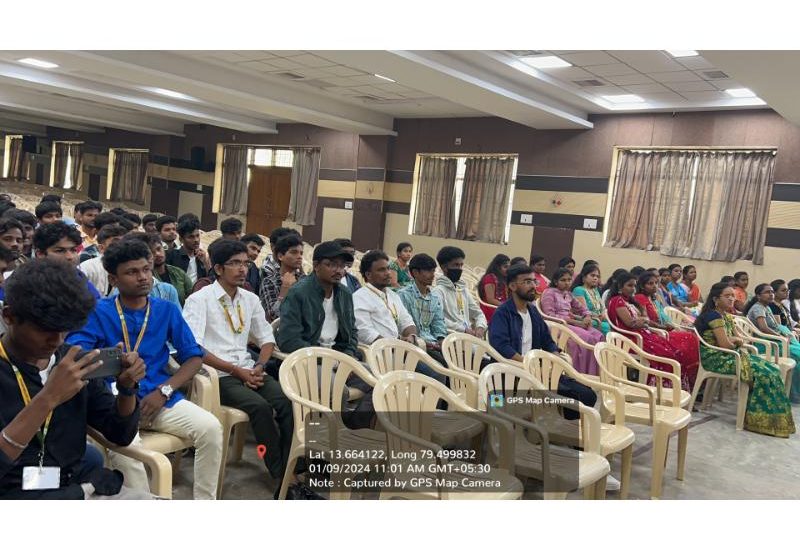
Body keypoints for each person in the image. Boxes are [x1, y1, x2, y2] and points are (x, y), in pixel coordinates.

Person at [67, 239, 223, 499]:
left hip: (158, 398)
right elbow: (77, 355)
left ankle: (205, 502)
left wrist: (165, 391)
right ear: (113, 279)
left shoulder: (166, 310)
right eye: (132, 272)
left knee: (211, 428)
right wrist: (115, 363)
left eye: (146, 269)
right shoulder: (97, 312)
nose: (143, 277)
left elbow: (194, 358)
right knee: (127, 451)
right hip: (116, 405)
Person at [0, 259, 148, 499]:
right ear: (9, 316)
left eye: (65, 329)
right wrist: (48, 398)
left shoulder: (74, 361)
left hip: (75, 486)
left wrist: (127, 389)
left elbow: (120, 435)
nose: (57, 340)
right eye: (45, 329)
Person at [183, 239, 293, 494]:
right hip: (218, 375)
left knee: (287, 401)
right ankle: (280, 473)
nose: (243, 269)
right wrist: (237, 371)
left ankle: (292, 467)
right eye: (235, 263)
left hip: (249, 369)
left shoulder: (250, 299)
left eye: (245, 263)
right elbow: (195, 348)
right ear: (218, 268)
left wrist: (260, 365)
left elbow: (266, 339)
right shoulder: (200, 300)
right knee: (260, 407)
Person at [276, 241, 373, 429]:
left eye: (342, 266)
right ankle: (331, 437)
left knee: (379, 382)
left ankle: (351, 427)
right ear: (316, 265)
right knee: (338, 390)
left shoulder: (344, 294)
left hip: (338, 358)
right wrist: (329, 360)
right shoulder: (299, 293)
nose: (338, 270)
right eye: (331, 265)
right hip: (308, 361)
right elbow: (289, 340)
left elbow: (352, 333)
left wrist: (348, 359)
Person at [488, 264, 600, 423]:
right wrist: (529, 364)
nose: (533, 286)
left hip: (535, 370)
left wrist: (555, 355)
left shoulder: (532, 311)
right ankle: (543, 420)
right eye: (527, 282)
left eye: (534, 281)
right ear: (512, 286)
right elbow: (501, 347)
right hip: (510, 373)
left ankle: (552, 422)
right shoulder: (502, 313)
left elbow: (547, 340)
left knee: (587, 395)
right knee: (576, 398)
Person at [694, 283, 795, 437]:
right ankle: (759, 420)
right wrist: (734, 340)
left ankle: (772, 420)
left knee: (772, 369)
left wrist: (735, 340)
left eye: (732, 296)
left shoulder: (726, 316)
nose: (731, 299)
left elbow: (738, 339)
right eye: (727, 296)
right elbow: (725, 345)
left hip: (731, 354)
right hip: (717, 358)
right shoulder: (713, 316)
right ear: (715, 299)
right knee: (763, 374)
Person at [607, 270, 695, 391]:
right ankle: (657, 389)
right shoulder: (617, 300)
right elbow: (631, 323)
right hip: (630, 339)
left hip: (641, 334)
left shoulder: (628, 300)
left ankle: (670, 388)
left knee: (674, 351)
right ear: (620, 286)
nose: (633, 289)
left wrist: (643, 319)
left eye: (634, 285)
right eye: (629, 285)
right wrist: (644, 321)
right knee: (667, 355)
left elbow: (642, 318)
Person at [634, 272, 700, 390]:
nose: (654, 286)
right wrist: (663, 327)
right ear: (642, 286)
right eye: (650, 283)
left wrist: (670, 325)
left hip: (661, 329)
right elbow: (646, 320)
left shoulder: (653, 298)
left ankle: (689, 381)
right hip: (653, 332)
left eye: (656, 283)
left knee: (690, 338)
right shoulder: (640, 298)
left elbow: (662, 316)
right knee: (685, 341)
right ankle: (671, 384)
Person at [540, 268, 604, 375]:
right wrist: (576, 322)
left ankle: (592, 372)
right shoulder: (549, 293)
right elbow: (549, 315)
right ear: (555, 281)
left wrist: (587, 316)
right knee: (586, 337)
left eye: (569, 280)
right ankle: (579, 372)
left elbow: (582, 308)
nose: (567, 283)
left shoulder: (568, 294)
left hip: (570, 323)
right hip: (557, 324)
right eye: (563, 280)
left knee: (598, 335)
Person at [745, 283, 800, 403]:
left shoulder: (767, 307)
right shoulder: (758, 308)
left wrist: (785, 334)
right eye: (767, 292)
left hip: (774, 340)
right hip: (766, 344)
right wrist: (781, 336)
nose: (771, 294)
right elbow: (763, 328)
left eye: (772, 292)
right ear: (758, 296)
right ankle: (793, 394)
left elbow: (776, 325)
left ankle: (793, 390)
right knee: (797, 355)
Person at [33, 222, 102, 301]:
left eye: (73, 250)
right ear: (40, 254)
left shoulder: (79, 278)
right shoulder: (31, 283)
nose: (70, 257)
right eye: (60, 251)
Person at [398, 253, 449, 359]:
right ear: (415, 273)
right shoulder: (403, 295)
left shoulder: (434, 297)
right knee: (446, 364)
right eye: (428, 271)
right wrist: (424, 342)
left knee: (460, 359)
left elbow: (438, 324)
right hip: (414, 345)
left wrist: (441, 341)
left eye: (433, 271)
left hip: (433, 344)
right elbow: (404, 326)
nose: (433, 275)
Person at [433, 246, 487, 337]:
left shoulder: (462, 290)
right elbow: (438, 319)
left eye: (461, 265)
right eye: (456, 265)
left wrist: (480, 327)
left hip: (467, 337)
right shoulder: (438, 291)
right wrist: (463, 329)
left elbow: (478, 313)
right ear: (444, 268)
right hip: (450, 337)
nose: (460, 269)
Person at [260, 234, 305, 323]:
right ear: (280, 256)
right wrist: (285, 290)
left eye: (301, 253)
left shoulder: (305, 280)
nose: (299, 256)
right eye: (294, 252)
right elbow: (273, 317)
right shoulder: (270, 281)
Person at [78, 224, 129, 297]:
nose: (121, 247)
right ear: (101, 248)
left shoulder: (131, 268)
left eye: (125, 243)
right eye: (115, 243)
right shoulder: (88, 268)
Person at [148, 232, 192, 306]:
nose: (157, 254)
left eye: (159, 249)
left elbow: (192, 295)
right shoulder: (149, 278)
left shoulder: (178, 272)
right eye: (152, 252)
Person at [166, 217, 210, 285]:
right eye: (191, 237)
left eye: (197, 236)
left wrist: (205, 263)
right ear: (181, 239)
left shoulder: (200, 256)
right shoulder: (172, 256)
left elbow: (209, 279)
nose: (196, 240)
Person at [571, 263, 610, 335]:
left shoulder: (595, 290)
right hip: (587, 320)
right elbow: (582, 310)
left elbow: (602, 308)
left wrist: (603, 314)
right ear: (584, 277)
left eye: (597, 276)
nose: (595, 278)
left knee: (616, 324)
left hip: (599, 319)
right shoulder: (579, 290)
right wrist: (597, 316)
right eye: (592, 275)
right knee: (610, 328)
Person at [477, 254, 510, 323]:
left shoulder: (503, 278)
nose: (508, 269)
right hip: (491, 308)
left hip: (501, 307)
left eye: (509, 267)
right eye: (505, 267)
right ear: (497, 267)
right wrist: (506, 306)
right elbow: (490, 300)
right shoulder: (490, 278)